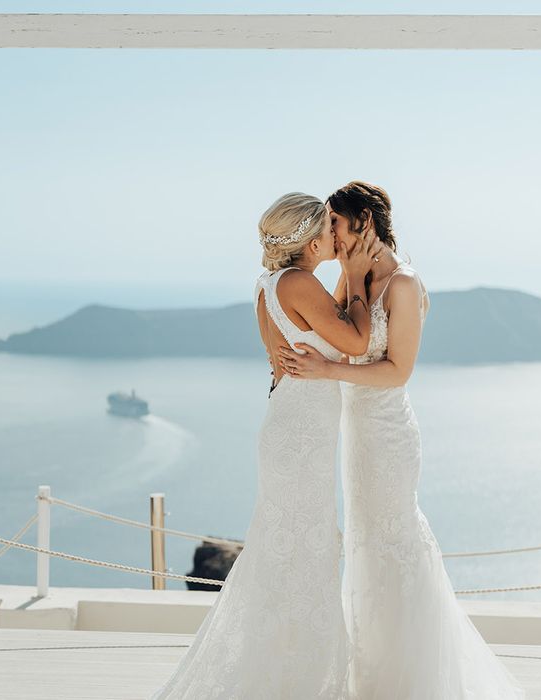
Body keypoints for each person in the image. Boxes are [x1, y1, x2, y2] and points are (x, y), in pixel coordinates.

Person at [278, 181, 526, 699]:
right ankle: (373, 679)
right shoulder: (356, 276)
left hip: (388, 438)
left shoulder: (403, 284)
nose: (332, 238)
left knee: (394, 545)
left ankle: (413, 681)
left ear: (363, 221)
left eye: (336, 227)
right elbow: (342, 336)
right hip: (357, 436)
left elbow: (398, 372)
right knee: (367, 550)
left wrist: (326, 373)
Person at [149, 192, 382, 699]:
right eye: (329, 230)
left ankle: (280, 669)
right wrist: (361, 276)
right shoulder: (299, 283)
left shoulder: (272, 283)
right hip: (300, 435)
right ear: (312, 238)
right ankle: (297, 677)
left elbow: (323, 328)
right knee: (305, 551)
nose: (336, 238)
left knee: (292, 553)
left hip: (291, 425)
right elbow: (358, 342)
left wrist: (344, 282)